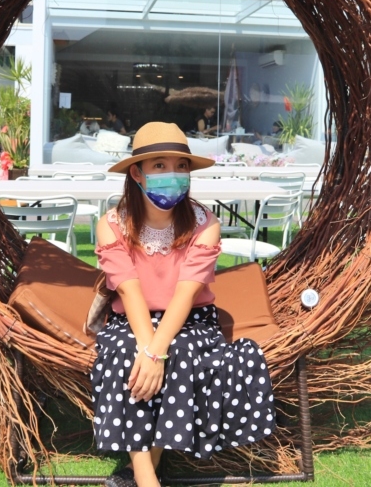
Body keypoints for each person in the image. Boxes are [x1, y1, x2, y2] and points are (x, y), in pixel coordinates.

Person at [93, 122, 276, 487]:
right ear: (137, 173)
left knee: (180, 350)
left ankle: (138, 473)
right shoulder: (111, 224)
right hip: (131, 318)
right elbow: (129, 292)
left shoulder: (204, 224)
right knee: (128, 351)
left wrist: (158, 350)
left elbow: (185, 294)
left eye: (180, 166)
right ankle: (147, 479)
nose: (172, 174)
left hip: (191, 319)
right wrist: (149, 350)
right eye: (159, 166)